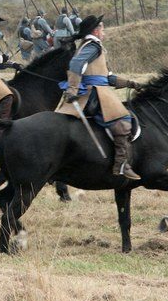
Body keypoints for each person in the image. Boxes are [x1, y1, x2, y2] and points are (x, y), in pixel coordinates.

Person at [57, 15, 142, 180]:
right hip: (94, 93)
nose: (104, 32)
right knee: (124, 121)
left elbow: (108, 77)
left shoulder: (94, 47)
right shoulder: (93, 46)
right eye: (102, 28)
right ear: (96, 31)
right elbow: (75, 65)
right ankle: (121, 164)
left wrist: (131, 83)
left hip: (100, 89)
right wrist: (73, 89)